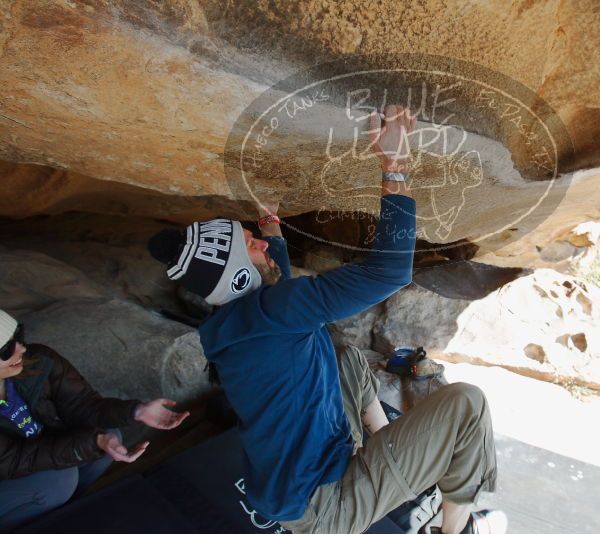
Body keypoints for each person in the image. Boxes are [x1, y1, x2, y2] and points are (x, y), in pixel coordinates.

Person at [148, 105, 505, 534]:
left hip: (304, 484)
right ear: (239, 274)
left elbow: (273, 279)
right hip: (326, 507)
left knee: (345, 357)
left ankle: (381, 447)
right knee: (468, 404)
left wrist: (270, 220)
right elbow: (390, 272)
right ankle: (456, 530)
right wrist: (394, 163)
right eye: (252, 243)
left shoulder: (236, 324)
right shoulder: (273, 313)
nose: (263, 243)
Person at [0, 309, 190, 531]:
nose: (21, 348)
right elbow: (13, 460)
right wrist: (92, 443)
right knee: (59, 481)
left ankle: (57, 514)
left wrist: (136, 411)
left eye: (18, 336)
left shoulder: (39, 360)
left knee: (107, 437)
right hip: (10, 475)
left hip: (37, 458)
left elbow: (82, 404)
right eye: (6, 350)